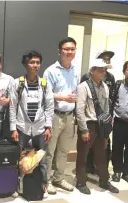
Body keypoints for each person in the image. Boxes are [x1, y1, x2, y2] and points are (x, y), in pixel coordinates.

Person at [9, 51, 54, 198]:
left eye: (37, 62)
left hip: (40, 127)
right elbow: (12, 107)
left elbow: (49, 106)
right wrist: (13, 128)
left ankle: (43, 185)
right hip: (22, 127)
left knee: (41, 159)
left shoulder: (44, 84)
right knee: (19, 157)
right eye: (32, 62)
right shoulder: (18, 83)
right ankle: (17, 185)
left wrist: (48, 127)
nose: (35, 65)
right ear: (25, 64)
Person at [75, 59, 119, 195]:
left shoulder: (105, 86)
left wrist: (106, 128)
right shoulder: (83, 86)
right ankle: (81, 182)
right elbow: (79, 110)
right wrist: (84, 129)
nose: (103, 72)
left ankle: (104, 180)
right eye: (100, 70)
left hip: (101, 124)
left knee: (102, 155)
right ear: (92, 70)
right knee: (83, 155)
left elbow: (106, 108)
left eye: (105, 70)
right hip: (89, 124)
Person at [43, 37, 79, 194]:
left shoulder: (76, 70)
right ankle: (46, 180)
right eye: (66, 49)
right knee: (50, 151)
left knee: (64, 150)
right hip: (55, 115)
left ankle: (59, 178)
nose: (69, 51)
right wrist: (63, 97)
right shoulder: (51, 71)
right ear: (59, 51)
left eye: (72, 49)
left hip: (70, 115)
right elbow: (45, 94)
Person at [80, 50, 116, 174]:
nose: (104, 71)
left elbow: (109, 101)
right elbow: (80, 106)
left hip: (103, 121)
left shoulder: (109, 80)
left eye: (108, 60)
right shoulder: (85, 81)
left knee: (103, 150)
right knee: (85, 152)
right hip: (90, 121)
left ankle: (103, 176)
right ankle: (85, 175)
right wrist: (83, 128)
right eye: (103, 60)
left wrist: (108, 121)